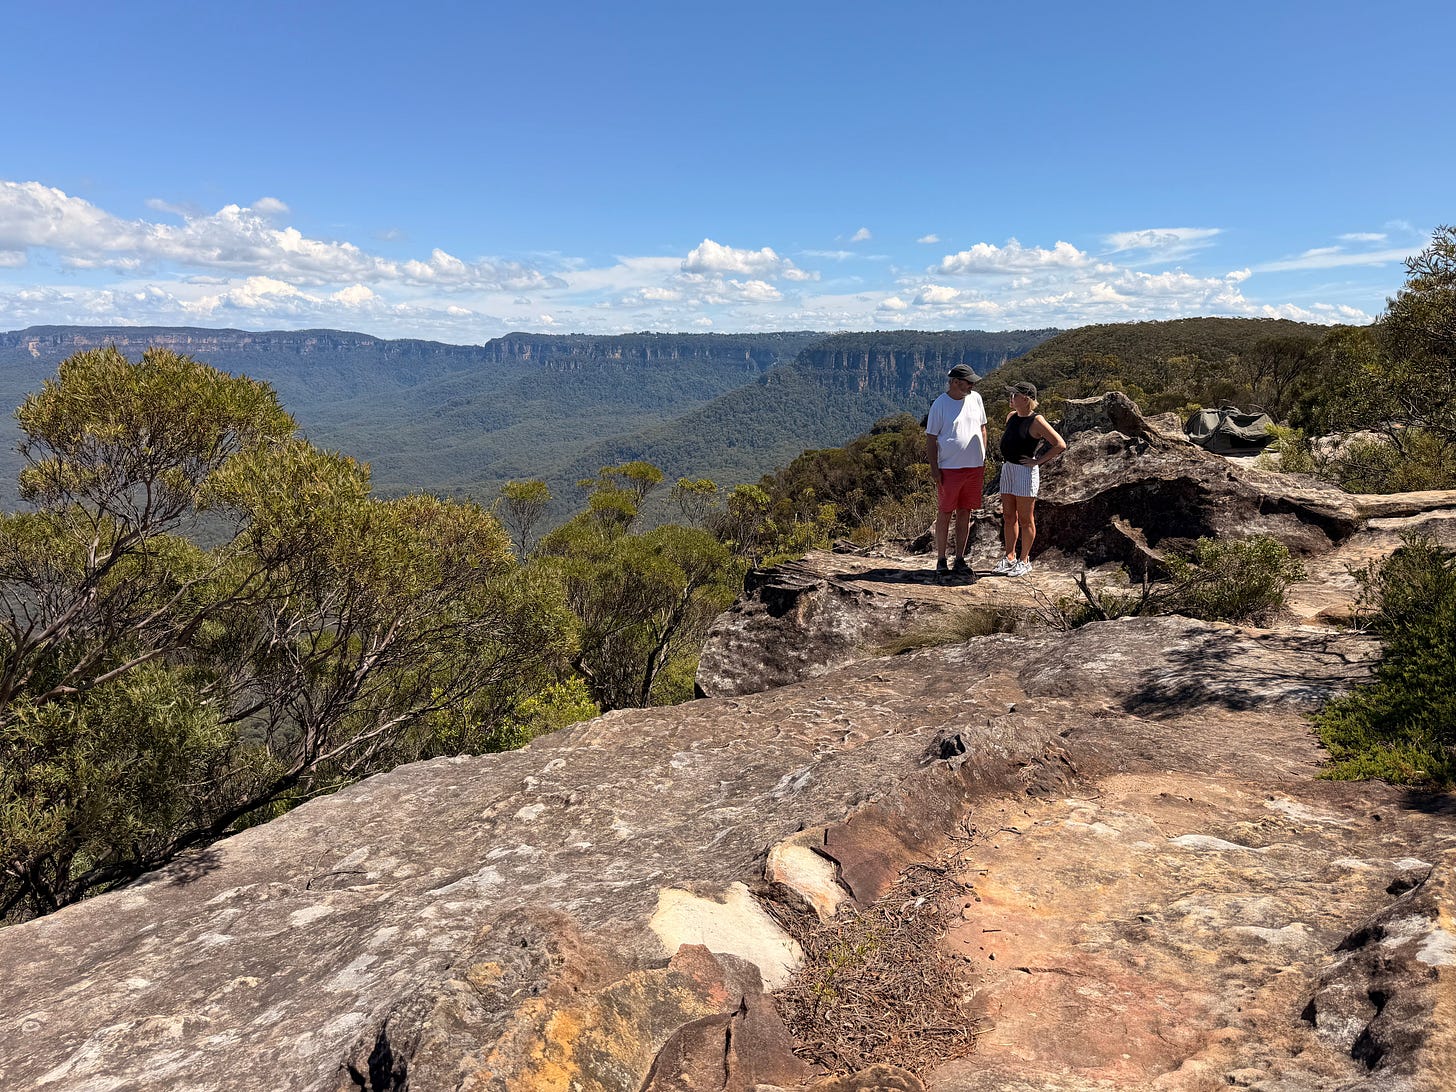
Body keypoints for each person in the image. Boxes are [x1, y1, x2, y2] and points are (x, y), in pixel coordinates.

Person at [995, 381, 1067, 577]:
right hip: (1008, 468)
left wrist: (1038, 461)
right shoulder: (1011, 417)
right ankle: (1009, 557)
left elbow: (1060, 444)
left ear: (1025, 398)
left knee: (1026, 519)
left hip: (1025, 472)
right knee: (1009, 516)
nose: (1011, 399)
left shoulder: (1037, 421)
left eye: (1014, 395)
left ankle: (1024, 560)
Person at [925, 364, 988, 582]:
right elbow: (931, 439)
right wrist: (935, 470)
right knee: (944, 513)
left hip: (974, 468)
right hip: (949, 469)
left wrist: (983, 456)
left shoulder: (976, 399)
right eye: (967, 382)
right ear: (954, 382)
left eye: (971, 382)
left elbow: (982, 427)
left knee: (965, 512)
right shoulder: (940, 405)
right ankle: (941, 560)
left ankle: (959, 559)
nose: (971, 386)